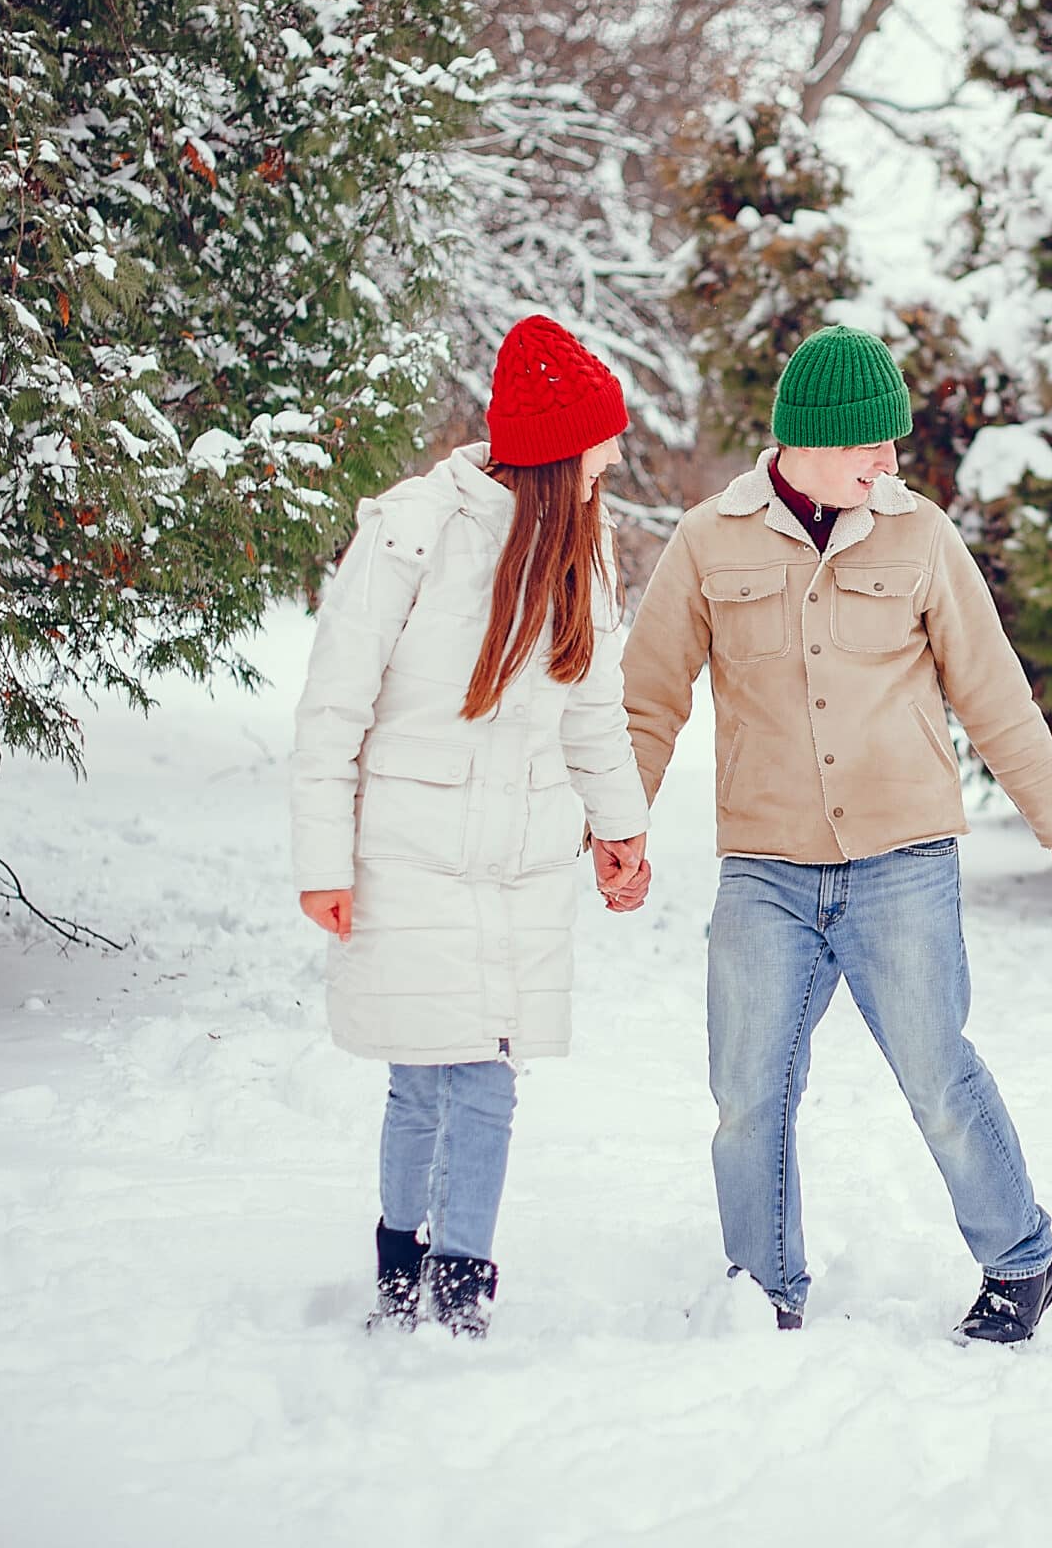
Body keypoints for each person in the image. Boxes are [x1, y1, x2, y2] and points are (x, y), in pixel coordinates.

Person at [621, 324, 1052, 1343]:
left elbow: (994, 692)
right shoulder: (710, 538)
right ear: (810, 438)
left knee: (937, 1073)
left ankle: (1022, 1259)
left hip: (901, 860)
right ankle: (764, 1283)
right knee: (747, 1091)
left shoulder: (920, 533)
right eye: (872, 447)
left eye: (894, 447)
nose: (890, 464)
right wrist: (619, 824)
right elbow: (647, 698)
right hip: (766, 867)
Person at [289, 313, 652, 1337]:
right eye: (598, 444)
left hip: (524, 859)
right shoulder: (412, 531)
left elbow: (592, 709)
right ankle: (398, 1270)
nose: (613, 460)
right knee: (418, 1073)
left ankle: (462, 1288)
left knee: (488, 1073)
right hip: (408, 851)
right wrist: (325, 859)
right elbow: (334, 707)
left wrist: (620, 828)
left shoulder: (589, 549)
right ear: (550, 453)